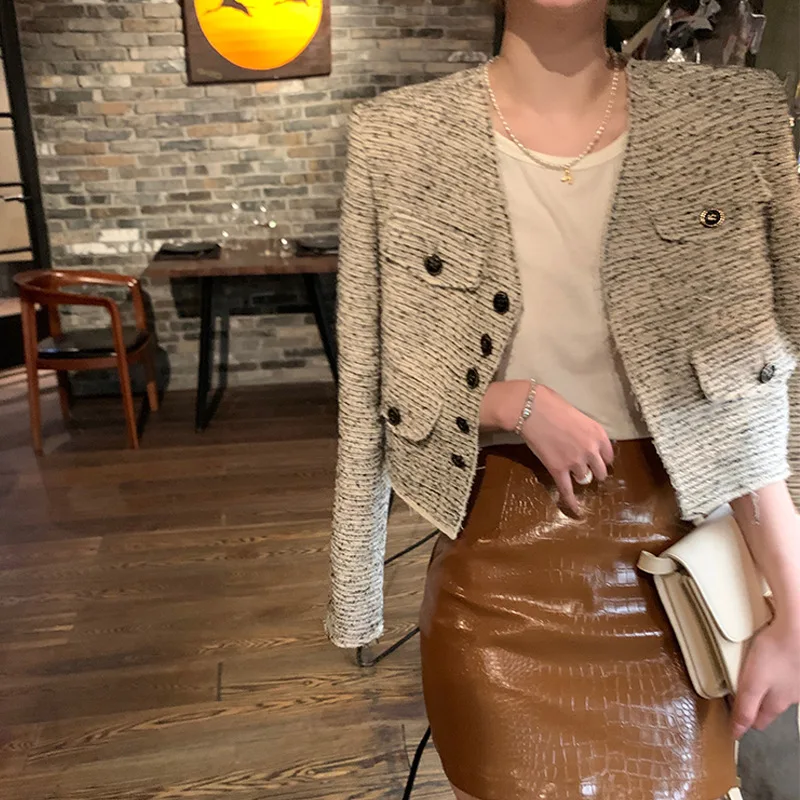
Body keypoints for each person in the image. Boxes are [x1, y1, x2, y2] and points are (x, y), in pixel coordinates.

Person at [326, 0, 800, 797]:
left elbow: (771, 378)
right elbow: (374, 382)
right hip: (498, 578)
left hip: (690, 569)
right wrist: (503, 403)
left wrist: (795, 601)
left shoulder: (732, 115)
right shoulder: (399, 136)